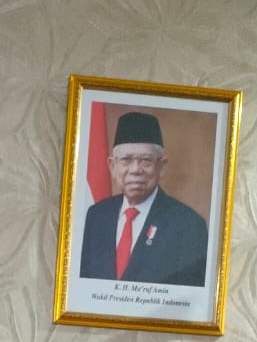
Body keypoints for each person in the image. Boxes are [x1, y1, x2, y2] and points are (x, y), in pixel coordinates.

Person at [78, 110, 209, 288]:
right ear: (112, 166)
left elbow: (189, 298)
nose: (135, 170)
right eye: (126, 160)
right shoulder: (96, 215)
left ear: (161, 167)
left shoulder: (188, 225)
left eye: (146, 161)